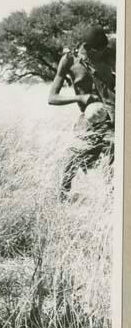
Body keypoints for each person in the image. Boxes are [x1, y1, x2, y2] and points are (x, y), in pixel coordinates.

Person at [48, 25, 115, 198]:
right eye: (98, 51)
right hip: (90, 118)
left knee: (115, 161)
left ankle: (112, 200)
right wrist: (80, 98)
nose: (102, 53)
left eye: (104, 50)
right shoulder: (69, 61)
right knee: (74, 157)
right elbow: (52, 98)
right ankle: (62, 198)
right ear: (89, 48)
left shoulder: (110, 55)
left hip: (115, 116)